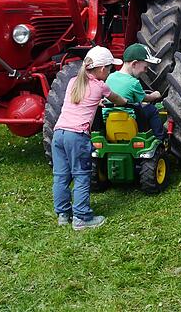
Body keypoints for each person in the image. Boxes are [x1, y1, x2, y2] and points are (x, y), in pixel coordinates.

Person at [52, 46, 127, 230]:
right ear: (102, 69)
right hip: (77, 136)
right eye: (110, 68)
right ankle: (82, 218)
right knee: (81, 176)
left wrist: (96, 101)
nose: (110, 72)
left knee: (61, 176)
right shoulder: (101, 86)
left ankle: (63, 214)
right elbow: (118, 100)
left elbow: (82, 100)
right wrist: (124, 102)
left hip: (59, 133)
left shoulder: (73, 82)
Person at [105, 43, 166, 142]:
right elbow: (146, 98)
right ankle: (160, 138)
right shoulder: (134, 83)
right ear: (134, 64)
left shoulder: (110, 77)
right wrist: (155, 95)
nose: (145, 71)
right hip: (129, 119)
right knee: (152, 109)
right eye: (145, 67)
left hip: (108, 118)